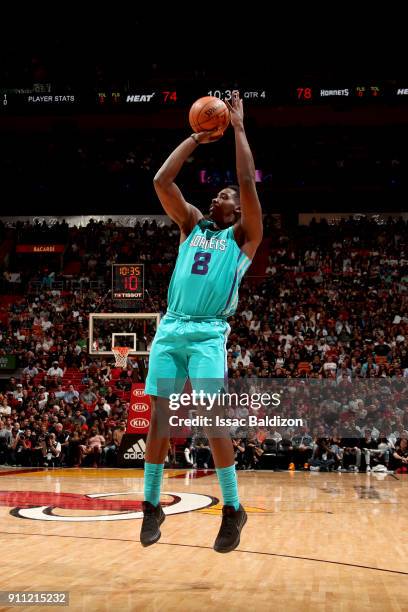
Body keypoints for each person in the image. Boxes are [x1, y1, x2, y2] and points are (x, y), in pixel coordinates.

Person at [141, 91, 263, 553]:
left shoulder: (244, 237)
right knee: (160, 417)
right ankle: (151, 505)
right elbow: (162, 180)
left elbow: (248, 183)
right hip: (171, 328)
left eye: (226, 195)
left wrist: (238, 129)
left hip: (210, 331)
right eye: (218, 192)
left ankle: (232, 509)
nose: (219, 196)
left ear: (237, 209)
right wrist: (196, 136)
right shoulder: (191, 225)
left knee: (212, 420)